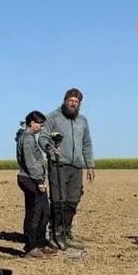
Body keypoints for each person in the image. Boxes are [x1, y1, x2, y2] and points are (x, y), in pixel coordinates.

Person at [42, 88, 95, 250]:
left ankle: (66, 233)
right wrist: (49, 149)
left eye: (76, 102)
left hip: (76, 166)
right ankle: (55, 234)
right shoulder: (53, 117)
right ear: (65, 100)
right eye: (71, 100)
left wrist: (90, 165)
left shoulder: (82, 121)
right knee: (58, 201)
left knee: (73, 201)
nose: (73, 103)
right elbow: (43, 136)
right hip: (59, 164)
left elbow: (86, 143)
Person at [15, 111, 58, 258]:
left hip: (34, 179)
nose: (41, 127)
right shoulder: (27, 139)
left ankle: (40, 243)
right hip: (30, 179)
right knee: (34, 214)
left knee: (44, 212)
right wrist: (39, 181)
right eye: (40, 124)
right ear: (32, 123)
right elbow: (30, 162)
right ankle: (31, 247)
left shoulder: (30, 138)